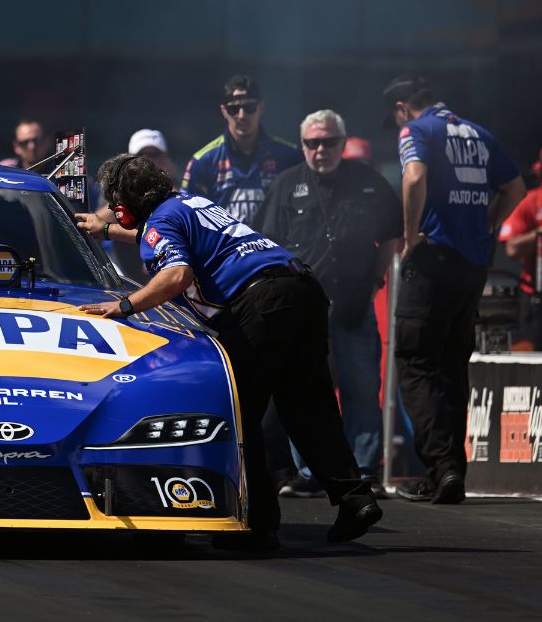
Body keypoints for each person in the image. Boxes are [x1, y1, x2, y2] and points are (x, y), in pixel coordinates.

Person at [76, 155, 381, 549]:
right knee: (309, 405)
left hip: (261, 303)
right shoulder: (189, 203)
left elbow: (176, 273)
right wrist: (107, 229)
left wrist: (126, 305)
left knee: (237, 414)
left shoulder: (160, 223)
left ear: (126, 206)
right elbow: (160, 237)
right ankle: (356, 499)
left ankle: (258, 525)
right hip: (302, 289)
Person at [382, 75, 525, 503]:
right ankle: (451, 472)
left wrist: (410, 237)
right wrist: (486, 224)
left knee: (415, 361)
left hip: (433, 260)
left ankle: (441, 467)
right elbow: (515, 189)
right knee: (450, 365)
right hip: (473, 266)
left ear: (402, 108)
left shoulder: (416, 130)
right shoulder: (479, 133)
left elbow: (414, 178)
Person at [255, 110, 402, 497]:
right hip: (304, 308)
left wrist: (377, 279)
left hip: (355, 302)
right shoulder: (286, 185)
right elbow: (265, 243)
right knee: (304, 390)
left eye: (329, 142)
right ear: (303, 145)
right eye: (313, 143)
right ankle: (310, 472)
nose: (321, 149)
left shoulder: (369, 181)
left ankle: (364, 470)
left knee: (362, 387)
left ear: (343, 142)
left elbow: (392, 233)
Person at [182, 75, 299, 224]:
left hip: (274, 240)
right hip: (224, 240)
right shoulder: (203, 161)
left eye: (249, 107)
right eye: (234, 109)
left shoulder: (290, 156)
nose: (242, 115)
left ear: (261, 108)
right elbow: (186, 216)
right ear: (224, 111)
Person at [498, 148, 542, 350]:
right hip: (535, 298)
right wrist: (538, 235)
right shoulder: (531, 202)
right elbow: (512, 249)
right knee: (532, 359)